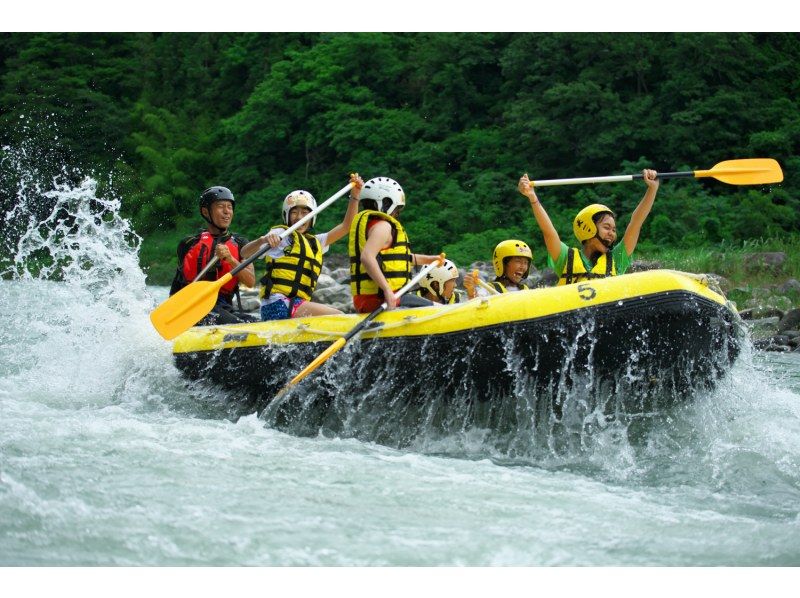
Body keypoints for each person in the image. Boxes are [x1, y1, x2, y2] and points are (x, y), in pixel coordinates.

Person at [240, 173, 364, 321]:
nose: (299, 217)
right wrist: (262, 240)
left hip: (296, 304)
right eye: (294, 212)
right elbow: (244, 253)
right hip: (277, 305)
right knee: (339, 317)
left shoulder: (315, 243)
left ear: (312, 217)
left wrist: (355, 196)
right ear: (287, 215)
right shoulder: (281, 235)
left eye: (305, 213)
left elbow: (347, 226)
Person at [518, 169, 660, 285]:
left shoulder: (616, 259)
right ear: (588, 228)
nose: (612, 233)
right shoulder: (566, 258)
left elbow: (636, 223)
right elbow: (549, 232)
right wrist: (532, 197)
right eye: (606, 227)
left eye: (614, 230)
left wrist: (652, 189)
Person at [348, 176, 441, 313]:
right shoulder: (383, 227)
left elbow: (399, 258)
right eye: (396, 209)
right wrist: (387, 290)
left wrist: (430, 260)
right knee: (439, 309)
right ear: (385, 203)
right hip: (380, 299)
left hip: (367, 299)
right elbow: (367, 257)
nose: (396, 214)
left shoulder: (372, 224)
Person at [169, 185, 256, 324]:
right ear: (206, 211)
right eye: (221, 206)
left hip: (224, 306)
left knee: (255, 323)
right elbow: (177, 284)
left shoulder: (241, 244)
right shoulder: (189, 243)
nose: (227, 211)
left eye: (230, 207)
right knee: (237, 324)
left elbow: (251, 282)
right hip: (194, 305)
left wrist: (231, 259)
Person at [463, 240, 533, 299]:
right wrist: (471, 290)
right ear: (503, 264)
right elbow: (476, 302)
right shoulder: (490, 289)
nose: (523, 267)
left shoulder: (525, 290)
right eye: (518, 261)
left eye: (525, 263)